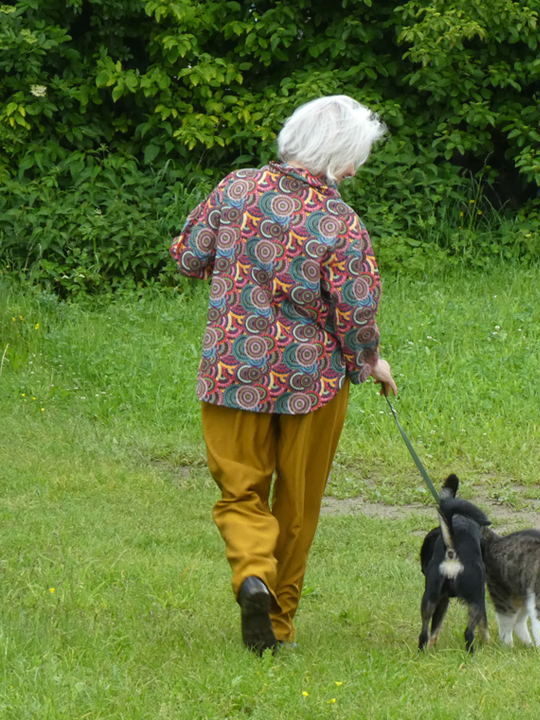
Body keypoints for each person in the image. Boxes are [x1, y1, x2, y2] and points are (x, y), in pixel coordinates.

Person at [170, 95, 397, 655]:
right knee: (297, 505)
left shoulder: (235, 188)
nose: (353, 171)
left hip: (232, 371)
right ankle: (275, 623)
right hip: (312, 384)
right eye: (354, 161)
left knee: (240, 489)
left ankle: (252, 572)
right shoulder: (341, 223)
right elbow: (356, 313)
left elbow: (187, 258)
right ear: (340, 161)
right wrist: (371, 362)